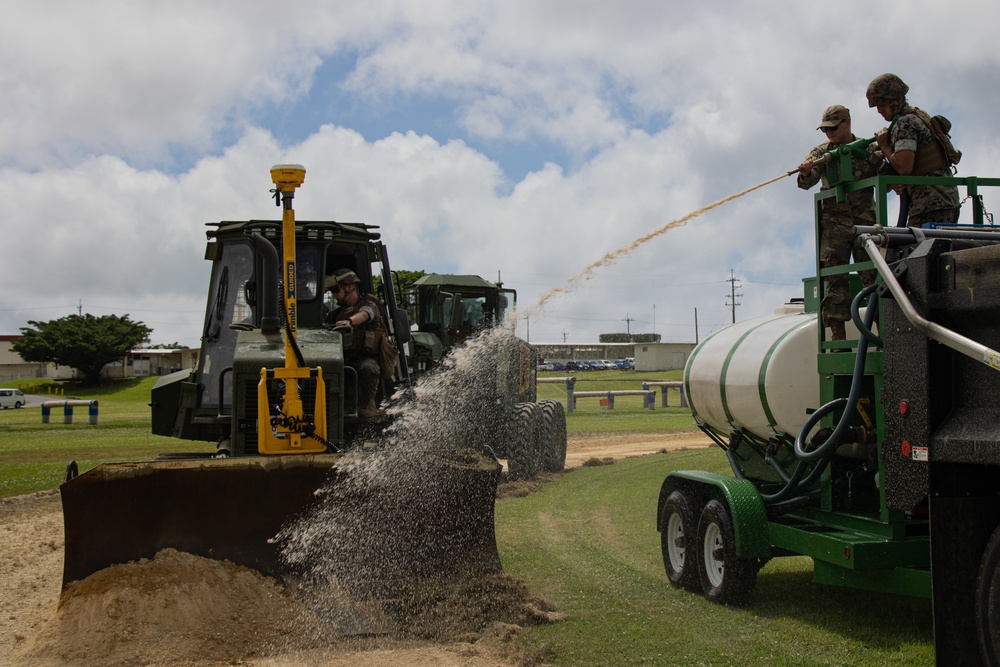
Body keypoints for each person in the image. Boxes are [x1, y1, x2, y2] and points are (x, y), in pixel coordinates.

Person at [797, 104, 881, 342]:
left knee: (874, 279)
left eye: (833, 128)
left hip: (865, 223)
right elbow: (808, 182)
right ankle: (838, 341)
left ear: (847, 123)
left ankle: (884, 336)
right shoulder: (821, 151)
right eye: (825, 129)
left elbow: (885, 171)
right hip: (834, 226)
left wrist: (882, 150)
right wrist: (805, 172)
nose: (829, 133)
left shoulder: (866, 148)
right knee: (835, 283)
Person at [868, 73, 961, 227]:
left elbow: (904, 168)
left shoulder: (905, 123)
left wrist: (885, 146)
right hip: (946, 200)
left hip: (929, 205)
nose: (879, 110)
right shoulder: (919, 116)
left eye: (882, 104)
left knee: (914, 249)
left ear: (897, 100)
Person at [324, 268, 385, 419]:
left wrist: (349, 321)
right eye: (332, 291)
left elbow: (364, 315)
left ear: (350, 287)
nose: (334, 295)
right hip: (345, 360)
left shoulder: (369, 305)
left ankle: (367, 403)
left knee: (367, 368)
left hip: (366, 358)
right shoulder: (335, 314)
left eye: (336, 290)